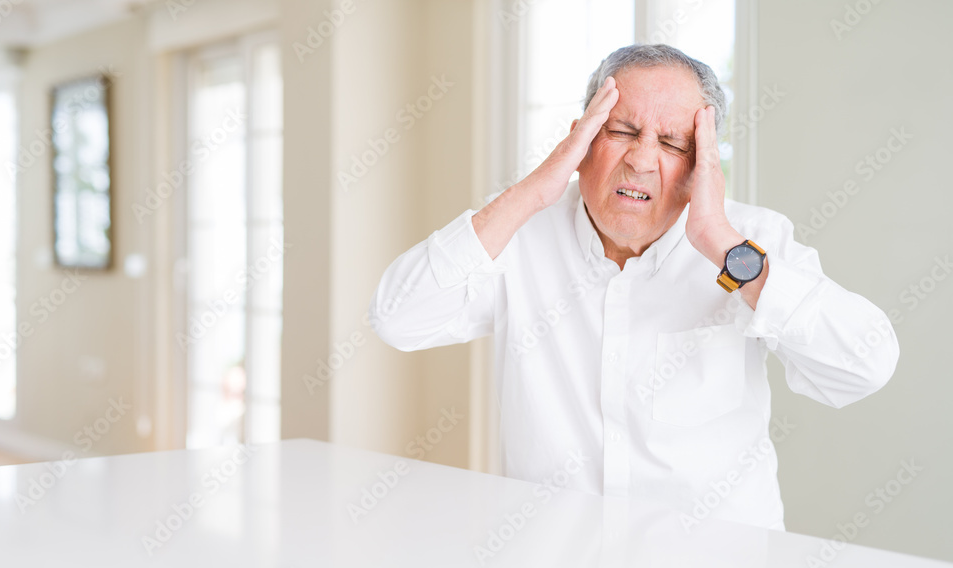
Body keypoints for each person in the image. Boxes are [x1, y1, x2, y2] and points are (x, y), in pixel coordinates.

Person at [367, 44, 899, 531]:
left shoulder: (751, 243)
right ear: (581, 138)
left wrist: (719, 243)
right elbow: (398, 317)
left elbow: (865, 365)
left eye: (673, 142)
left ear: (702, 163)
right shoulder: (521, 234)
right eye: (621, 131)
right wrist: (533, 191)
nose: (642, 160)